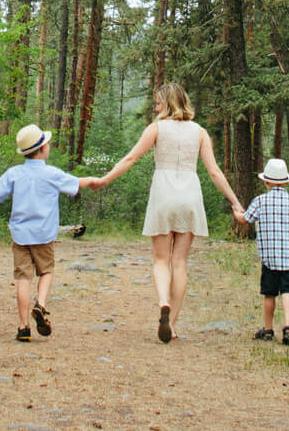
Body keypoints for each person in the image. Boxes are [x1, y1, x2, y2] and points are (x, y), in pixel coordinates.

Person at [93, 82, 244, 343]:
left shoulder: (156, 129)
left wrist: (105, 179)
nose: (155, 107)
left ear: (168, 103)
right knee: (180, 263)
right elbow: (214, 171)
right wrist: (235, 201)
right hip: (189, 195)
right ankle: (172, 324)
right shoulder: (199, 132)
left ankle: (163, 301)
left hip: (163, 193)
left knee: (161, 260)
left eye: (158, 103)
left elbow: (130, 159)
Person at [0, 123, 100, 340]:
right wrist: (96, 181)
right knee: (46, 272)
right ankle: (40, 304)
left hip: (20, 235)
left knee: (23, 279)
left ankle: (23, 327)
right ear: (43, 149)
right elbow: (78, 183)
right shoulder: (52, 174)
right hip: (44, 235)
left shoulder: (14, 173)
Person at [244, 157, 289, 345]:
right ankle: (288, 326)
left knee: (269, 293)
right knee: (288, 291)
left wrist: (237, 213)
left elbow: (246, 219)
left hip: (269, 258)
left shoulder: (260, 201)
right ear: (285, 181)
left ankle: (268, 330)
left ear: (266, 181)